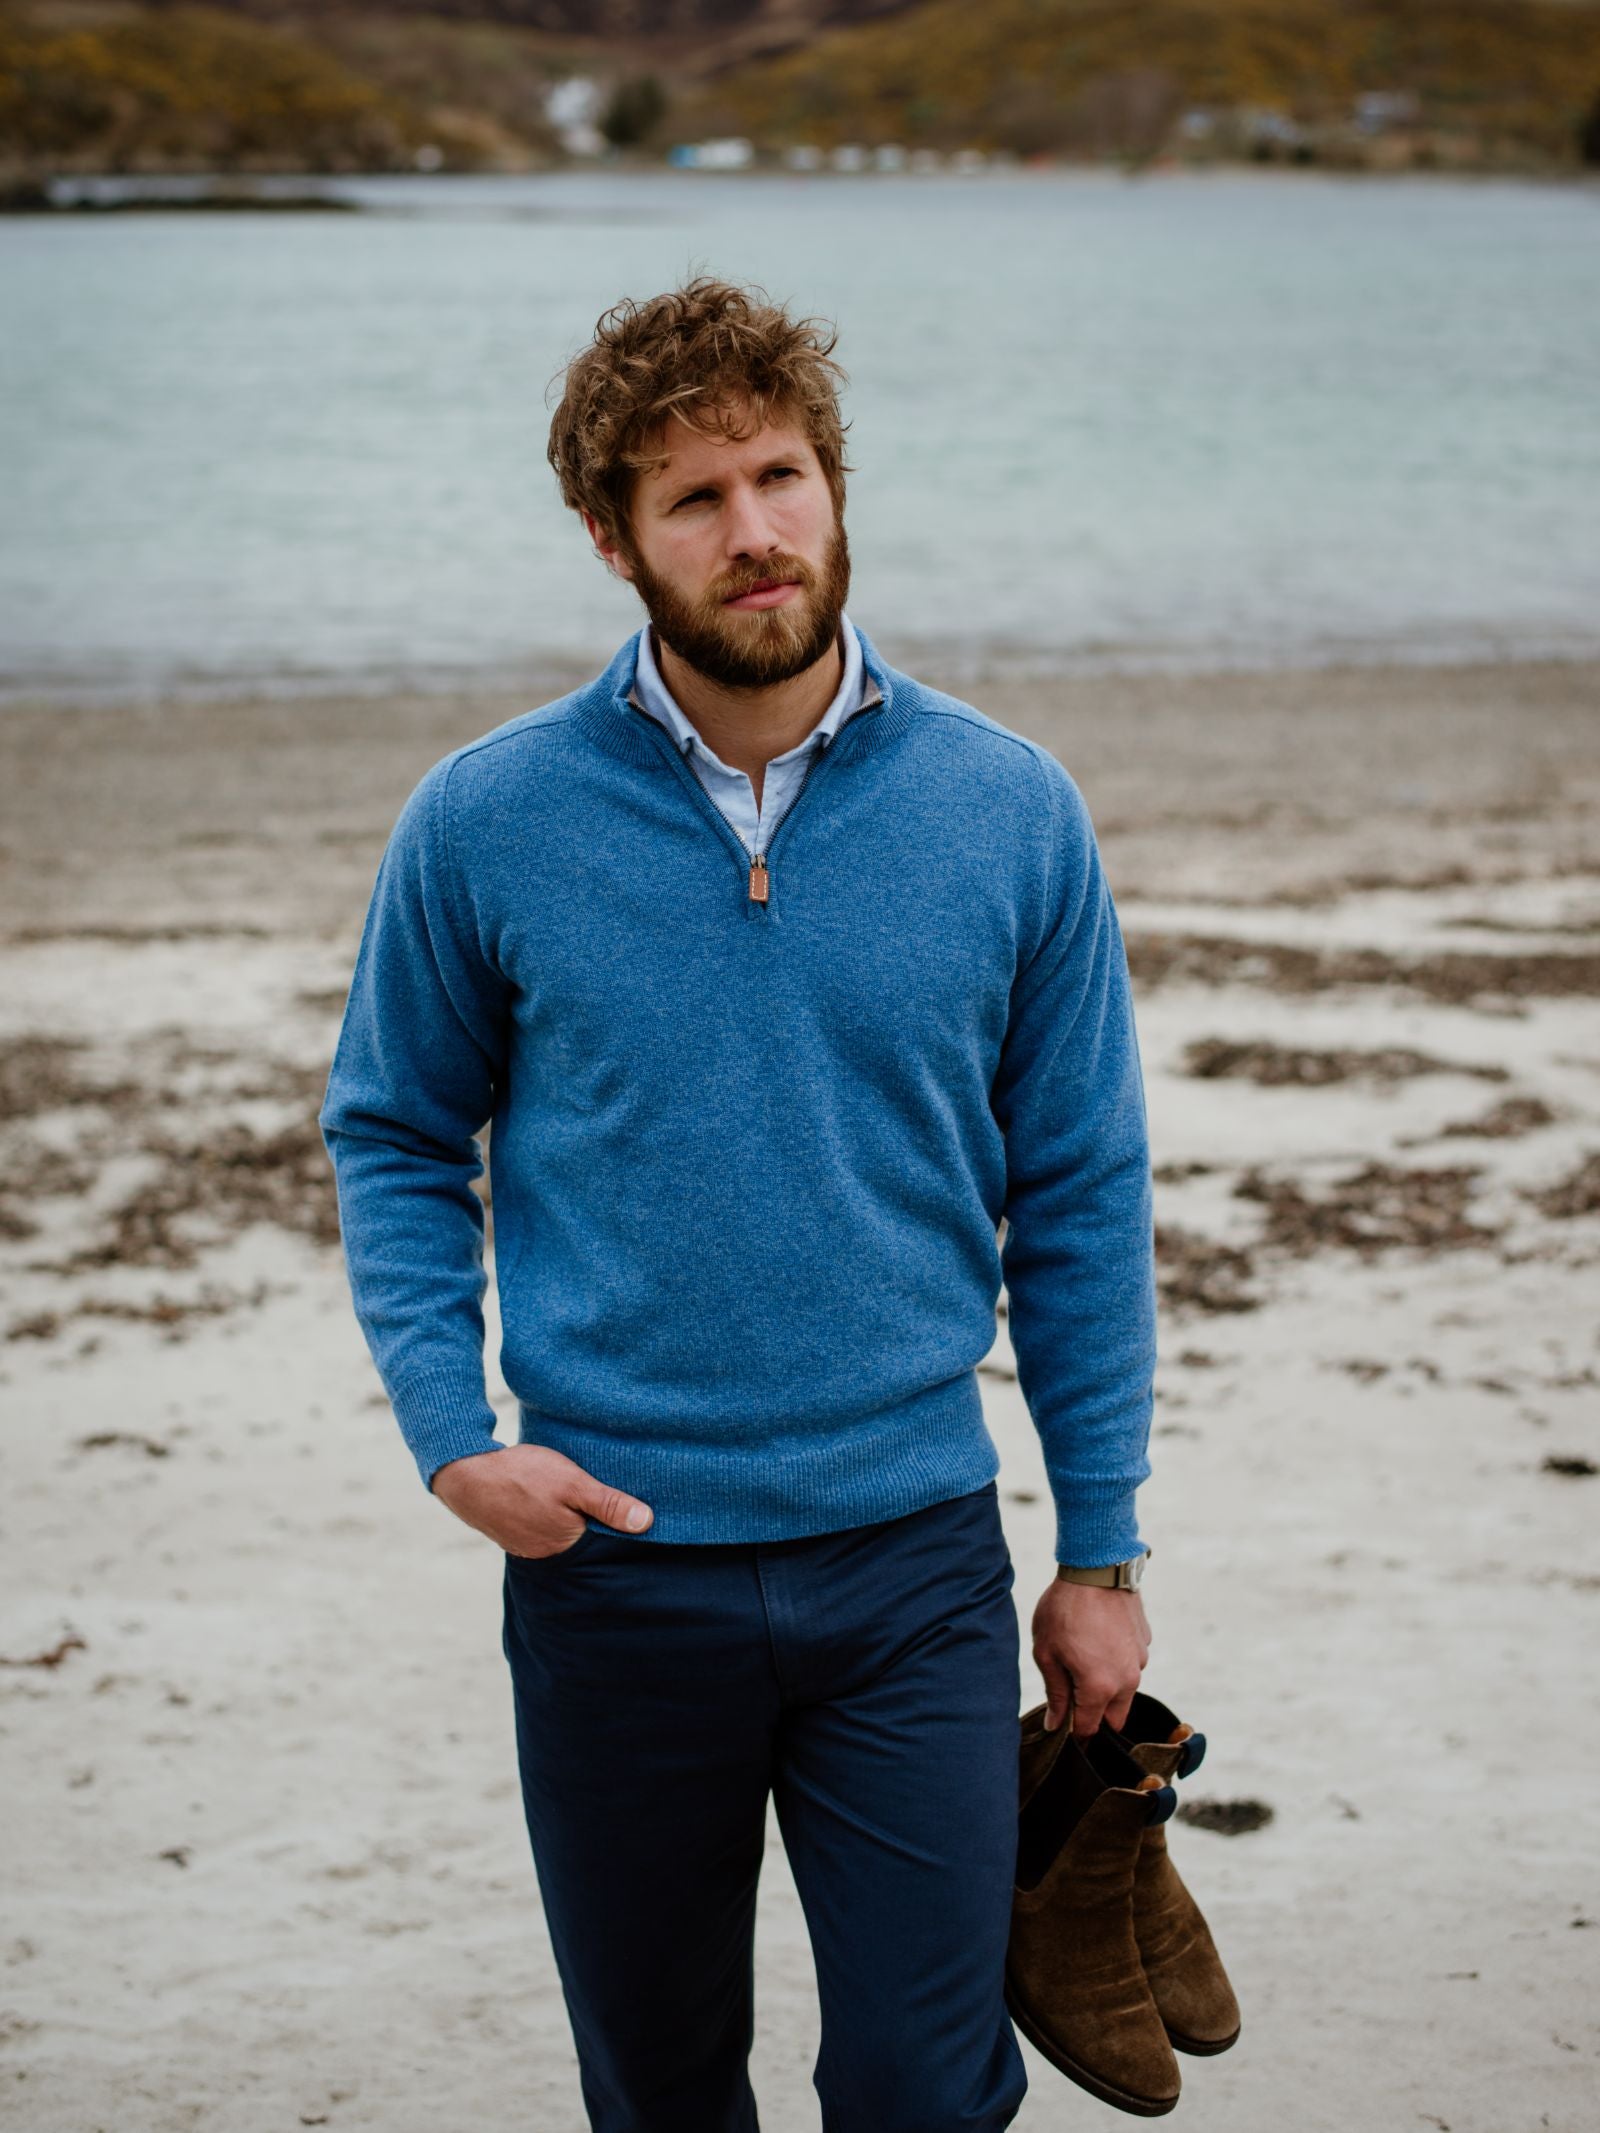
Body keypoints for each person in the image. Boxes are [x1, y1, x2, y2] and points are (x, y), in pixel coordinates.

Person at [319, 276, 1157, 2133]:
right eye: (693, 496)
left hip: (916, 1565)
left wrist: (1098, 1552)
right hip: (612, 1570)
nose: (754, 531)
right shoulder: (485, 820)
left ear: (838, 491)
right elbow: (390, 1131)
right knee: (662, 2088)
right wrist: (453, 1440)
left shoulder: (1010, 811)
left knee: (929, 2091)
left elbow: (1084, 1195)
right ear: (613, 535)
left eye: (781, 474)